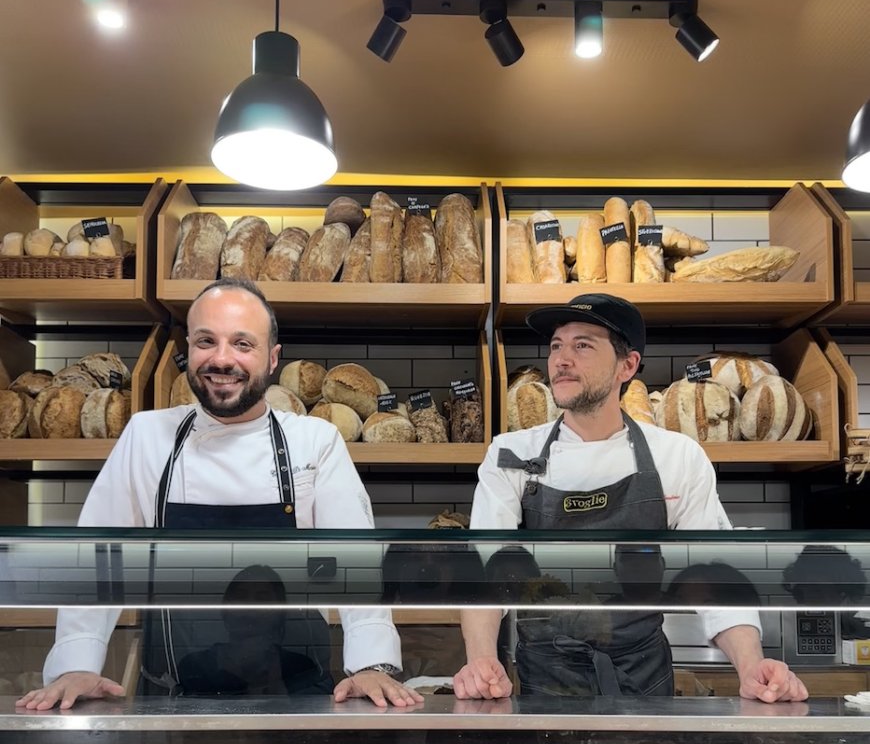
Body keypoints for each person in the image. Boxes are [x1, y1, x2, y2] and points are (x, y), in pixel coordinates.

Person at [17, 278, 422, 714]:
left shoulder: (314, 441)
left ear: (271, 358)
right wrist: (76, 663)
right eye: (206, 341)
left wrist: (370, 663)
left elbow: (355, 561)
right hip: (173, 701)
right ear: (188, 349)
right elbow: (99, 557)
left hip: (298, 695)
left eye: (242, 344)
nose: (222, 359)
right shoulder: (147, 436)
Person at [453, 292, 808, 706]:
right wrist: (480, 659)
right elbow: (485, 573)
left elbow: (713, 575)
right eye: (555, 346)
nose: (561, 360)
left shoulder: (676, 455)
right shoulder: (512, 453)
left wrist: (751, 666)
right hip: (543, 681)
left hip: (643, 678)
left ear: (629, 365)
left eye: (582, 345)